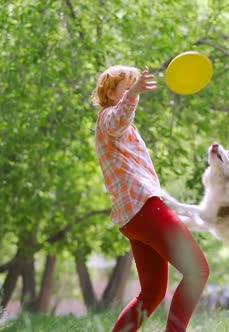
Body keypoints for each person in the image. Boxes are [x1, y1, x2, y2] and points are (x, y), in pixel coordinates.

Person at [92, 65, 210, 332]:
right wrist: (132, 94)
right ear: (110, 93)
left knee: (152, 293)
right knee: (198, 270)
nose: (134, 94)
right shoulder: (108, 118)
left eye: (135, 88)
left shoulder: (122, 128)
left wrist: (130, 93)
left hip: (134, 218)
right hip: (144, 208)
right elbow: (119, 117)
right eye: (127, 87)